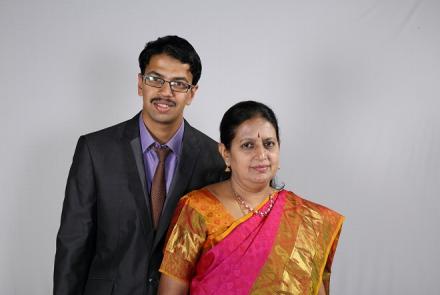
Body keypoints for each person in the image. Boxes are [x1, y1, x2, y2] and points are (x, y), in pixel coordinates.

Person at [53, 35, 225, 295]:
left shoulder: (214, 158)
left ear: (192, 94)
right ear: (139, 84)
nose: (165, 92)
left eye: (178, 84)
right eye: (155, 79)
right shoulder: (95, 150)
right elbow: (73, 244)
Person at [158, 100, 344, 295]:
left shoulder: (307, 219)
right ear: (226, 153)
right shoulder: (197, 208)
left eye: (269, 144)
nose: (261, 154)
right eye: (248, 145)